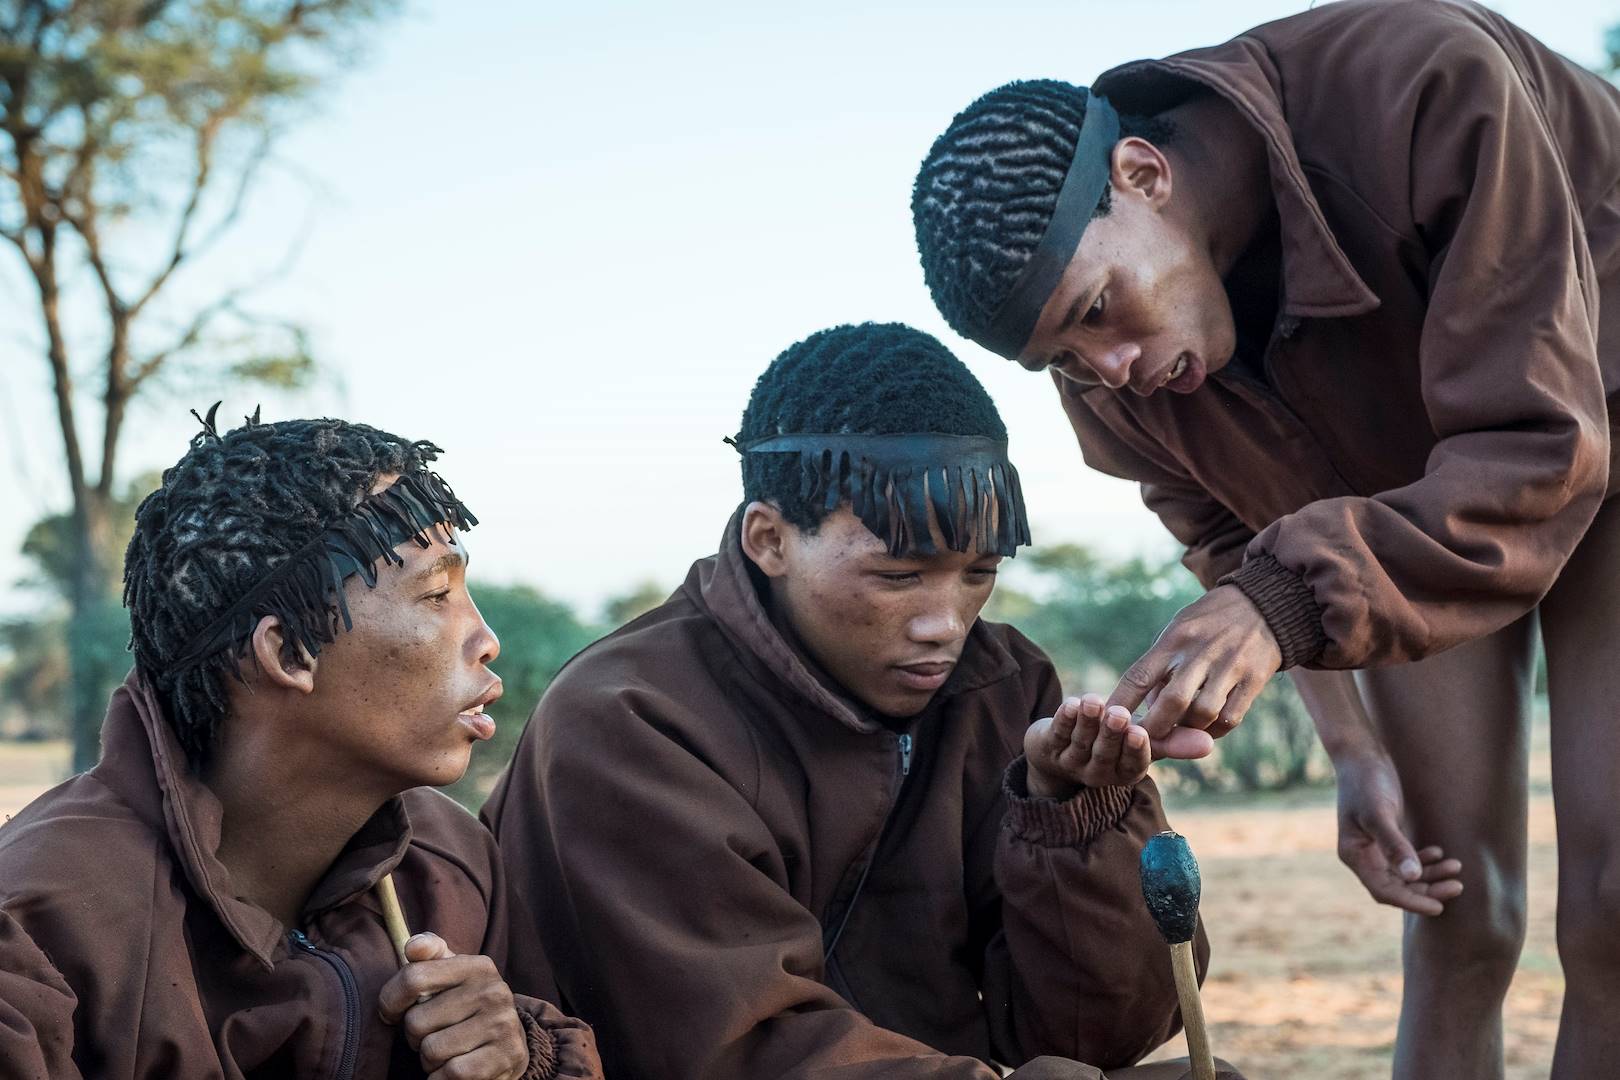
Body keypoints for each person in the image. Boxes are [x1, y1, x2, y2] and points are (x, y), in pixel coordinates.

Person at [910, 2, 1620, 1076]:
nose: (1107, 373)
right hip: (1405, 505)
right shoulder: (1109, 380)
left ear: (1144, 174)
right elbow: (1231, 534)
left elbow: (1539, 447)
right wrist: (1351, 748)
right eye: (1061, 357)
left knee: (1616, 903)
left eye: (1100, 310)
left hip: (1591, 405)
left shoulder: (1427, 83)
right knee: (1454, 902)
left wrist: (1279, 606)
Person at [485, 323, 1239, 1080]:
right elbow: (743, 1051)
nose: (945, 623)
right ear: (769, 540)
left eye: (979, 571)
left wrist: (1071, 817)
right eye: (900, 574)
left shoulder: (1002, 689)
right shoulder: (626, 718)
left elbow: (1099, 1037)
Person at [0, 409, 603, 1080]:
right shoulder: (38, 924)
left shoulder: (449, 865)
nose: (486, 639)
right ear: (290, 651)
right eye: (436, 594)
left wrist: (522, 1060)